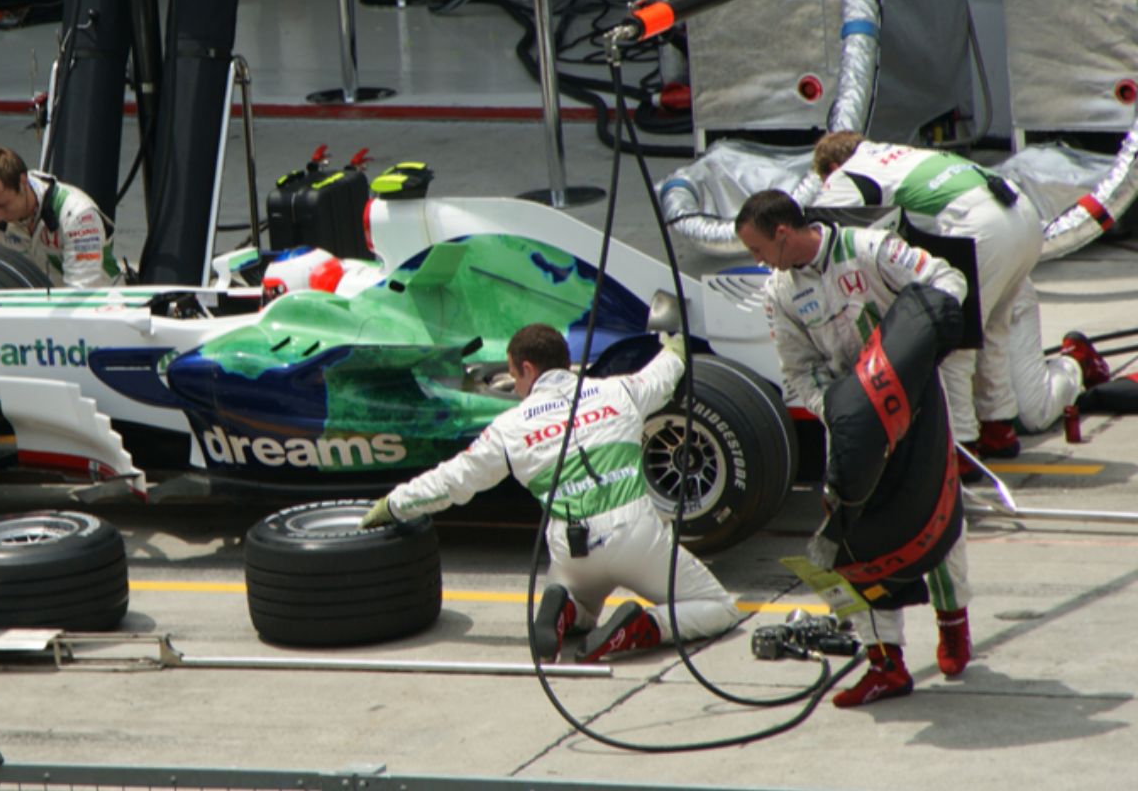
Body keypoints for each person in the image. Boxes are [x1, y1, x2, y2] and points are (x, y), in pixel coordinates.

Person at [361, 325, 740, 663]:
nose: (515, 387)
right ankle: (645, 626)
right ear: (566, 360)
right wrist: (675, 345)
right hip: (633, 536)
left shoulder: (508, 427)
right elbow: (665, 370)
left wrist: (391, 506)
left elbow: (451, 481)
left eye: (512, 376)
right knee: (719, 607)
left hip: (570, 550)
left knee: (585, 605)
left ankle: (567, 610)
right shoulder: (620, 389)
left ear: (527, 369)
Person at [734, 188, 974, 706]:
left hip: (917, 405)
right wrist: (847, 415)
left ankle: (952, 622)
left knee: (936, 513)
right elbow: (797, 373)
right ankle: (884, 663)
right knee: (847, 536)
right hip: (852, 423)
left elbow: (945, 280)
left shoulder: (869, 248)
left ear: (782, 233)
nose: (757, 263)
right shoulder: (779, 293)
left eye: (757, 251)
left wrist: (919, 344)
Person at [811, 132, 1109, 477]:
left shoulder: (847, 173)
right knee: (993, 332)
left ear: (832, 167)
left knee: (954, 342)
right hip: (1023, 217)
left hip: (983, 230)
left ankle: (963, 448)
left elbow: (822, 228)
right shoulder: (896, 151)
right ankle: (998, 430)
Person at [0, 147, 122, 289]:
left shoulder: (78, 214)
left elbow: (82, 292)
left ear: (22, 182)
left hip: (102, 305)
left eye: (3, 206)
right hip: (40, 304)